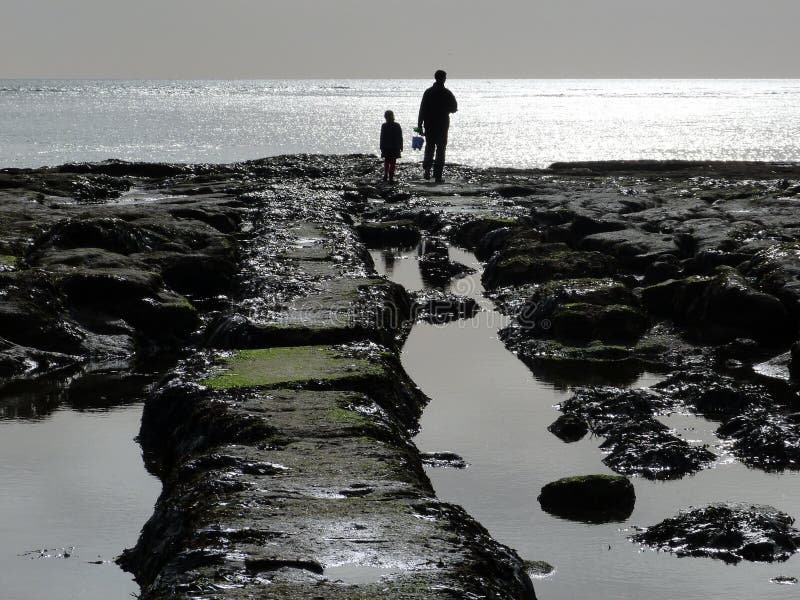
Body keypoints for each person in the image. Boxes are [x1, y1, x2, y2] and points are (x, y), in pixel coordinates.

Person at [417, 69, 458, 182]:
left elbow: (422, 110)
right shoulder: (447, 93)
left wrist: (419, 125)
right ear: (444, 79)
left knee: (429, 147)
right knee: (440, 149)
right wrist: (446, 109)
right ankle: (438, 175)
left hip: (429, 124)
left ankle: (427, 170)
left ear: (435, 78)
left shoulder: (428, 92)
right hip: (442, 125)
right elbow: (454, 108)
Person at [379, 110, 403, 184]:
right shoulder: (397, 125)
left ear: (385, 117)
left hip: (386, 147)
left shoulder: (384, 125)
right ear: (393, 116)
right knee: (393, 162)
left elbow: (382, 137)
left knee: (386, 161)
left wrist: (381, 146)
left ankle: (386, 174)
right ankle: (391, 177)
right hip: (395, 147)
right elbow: (400, 137)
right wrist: (401, 146)